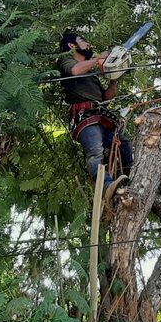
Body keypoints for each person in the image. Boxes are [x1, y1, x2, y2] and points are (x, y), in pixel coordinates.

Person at [57, 30, 133, 203]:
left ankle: (128, 181)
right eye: (83, 41)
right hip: (84, 119)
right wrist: (99, 58)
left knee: (124, 145)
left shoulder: (91, 75)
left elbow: (106, 98)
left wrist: (114, 77)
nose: (88, 44)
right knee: (95, 152)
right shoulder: (66, 60)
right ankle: (107, 186)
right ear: (72, 45)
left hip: (102, 117)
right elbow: (75, 71)